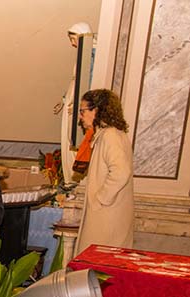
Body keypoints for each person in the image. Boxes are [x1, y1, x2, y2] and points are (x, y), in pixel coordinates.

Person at [75, 89, 134, 253]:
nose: (80, 117)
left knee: (96, 269)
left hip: (107, 218)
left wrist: (100, 198)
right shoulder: (111, 134)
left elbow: (121, 172)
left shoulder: (110, 136)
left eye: (82, 111)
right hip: (108, 215)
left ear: (97, 110)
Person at [55, 22, 94, 182]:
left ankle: (75, 180)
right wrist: (65, 100)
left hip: (79, 104)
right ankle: (70, 179)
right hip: (73, 101)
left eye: (73, 39)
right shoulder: (83, 55)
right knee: (67, 138)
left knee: (75, 139)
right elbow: (75, 81)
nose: (72, 43)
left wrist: (80, 106)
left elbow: (88, 83)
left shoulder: (91, 55)